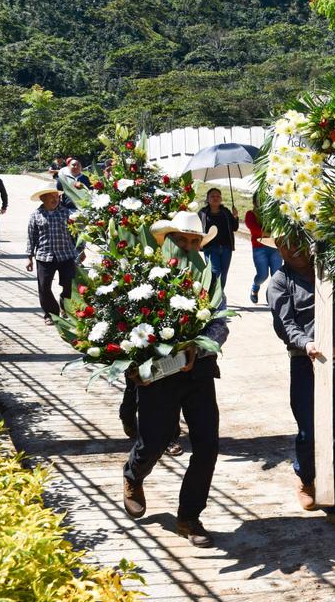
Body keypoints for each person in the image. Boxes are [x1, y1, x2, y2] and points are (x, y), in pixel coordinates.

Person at [122, 211, 228, 548]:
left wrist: (198, 345)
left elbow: (221, 323)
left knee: (208, 444)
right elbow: (125, 326)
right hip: (158, 375)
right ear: (166, 241)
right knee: (154, 439)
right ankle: (134, 474)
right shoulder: (145, 277)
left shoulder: (210, 277)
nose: (187, 246)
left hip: (198, 372)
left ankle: (189, 516)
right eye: (180, 240)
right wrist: (132, 364)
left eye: (194, 241)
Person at [266, 236, 335, 536]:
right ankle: (306, 476)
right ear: (278, 247)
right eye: (284, 243)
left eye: (298, 241)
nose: (293, 248)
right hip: (305, 364)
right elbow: (286, 324)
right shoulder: (280, 282)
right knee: (309, 430)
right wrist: (306, 343)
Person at [25, 186, 76, 324]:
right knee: (44, 287)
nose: (55, 199)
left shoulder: (67, 213)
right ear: (43, 199)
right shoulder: (36, 215)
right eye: (51, 197)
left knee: (69, 285)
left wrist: (80, 251)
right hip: (44, 256)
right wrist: (29, 257)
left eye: (57, 197)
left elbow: (76, 233)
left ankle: (66, 307)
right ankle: (51, 313)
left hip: (66, 255)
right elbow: (31, 237)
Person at [244, 193, 282, 303]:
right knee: (262, 275)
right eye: (260, 200)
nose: (263, 202)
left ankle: (271, 293)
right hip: (259, 248)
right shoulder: (250, 214)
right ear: (254, 201)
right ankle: (255, 287)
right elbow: (254, 229)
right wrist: (269, 234)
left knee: (276, 275)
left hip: (275, 247)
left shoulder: (274, 214)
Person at [198, 188, 239, 288]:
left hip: (226, 248)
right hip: (210, 248)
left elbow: (234, 228)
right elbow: (198, 229)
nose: (215, 198)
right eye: (212, 196)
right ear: (207, 199)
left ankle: (220, 296)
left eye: (218, 196)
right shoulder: (202, 213)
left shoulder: (226, 212)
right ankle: (214, 296)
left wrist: (235, 216)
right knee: (215, 273)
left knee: (223, 274)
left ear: (221, 199)